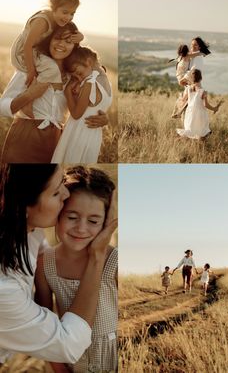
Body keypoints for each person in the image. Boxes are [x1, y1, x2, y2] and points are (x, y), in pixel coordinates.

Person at [0, 164, 117, 366]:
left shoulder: (29, 232)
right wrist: (96, 255)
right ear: (23, 207)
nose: (65, 194)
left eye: (63, 181)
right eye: (55, 193)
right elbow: (67, 345)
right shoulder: (5, 288)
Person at [35, 166, 118, 373]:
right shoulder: (45, 263)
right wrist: (58, 367)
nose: (81, 228)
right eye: (72, 217)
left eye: (93, 221)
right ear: (57, 214)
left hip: (112, 357)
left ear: (106, 222)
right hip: (70, 359)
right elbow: (44, 327)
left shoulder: (114, 261)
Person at [0, 24, 108, 163]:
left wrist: (102, 119)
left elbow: (82, 110)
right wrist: (29, 95)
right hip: (25, 136)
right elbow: (2, 106)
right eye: (57, 38)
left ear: (74, 46)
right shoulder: (32, 68)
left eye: (68, 41)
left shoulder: (74, 77)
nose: (61, 44)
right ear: (49, 40)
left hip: (57, 142)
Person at [11, 0, 83, 87]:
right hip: (22, 53)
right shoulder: (42, 22)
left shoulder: (58, 18)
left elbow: (69, 29)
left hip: (35, 50)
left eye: (72, 13)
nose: (68, 18)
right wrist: (31, 71)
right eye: (65, 12)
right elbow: (27, 46)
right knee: (52, 69)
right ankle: (39, 94)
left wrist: (80, 36)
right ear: (54, 8)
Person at [51, 47, 112, 163]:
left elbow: (76, 114)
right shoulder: (107, 84)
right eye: (75, 77)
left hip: (77, 135)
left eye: (79, 73)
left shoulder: (89, 84)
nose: (79, 79)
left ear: (88, 62)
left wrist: (67, 92)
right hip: (93, 136)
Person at [176, 69, 223, 139]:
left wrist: (180, 96)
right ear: (201, 78)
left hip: (190, 113)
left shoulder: (189, 89)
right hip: (200, 114)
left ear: (191, 79)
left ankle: (182, 141)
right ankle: (200, 146)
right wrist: (214, 108)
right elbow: (205, 105)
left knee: (190, 130)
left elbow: (184, 100)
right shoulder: (202, 91)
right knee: (201, 132)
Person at [171, 37, 211, 119]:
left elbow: (194, 71)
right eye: (192, 44)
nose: (193, 46)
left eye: (195, 45)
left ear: (199, 47)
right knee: (188, 105)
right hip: (189, 83)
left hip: (193, 83)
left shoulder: (198, 57)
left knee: (191, 109)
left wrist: (183, 79)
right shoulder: (191, 55)